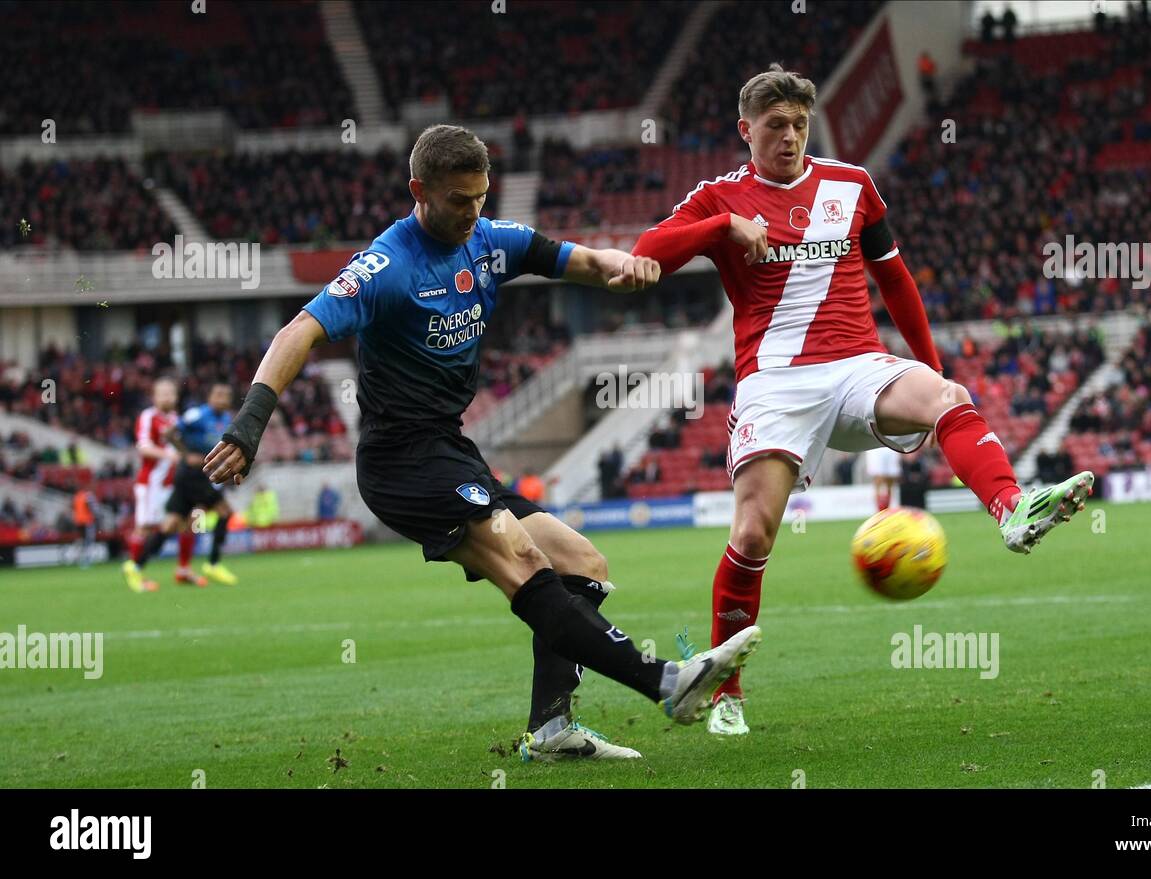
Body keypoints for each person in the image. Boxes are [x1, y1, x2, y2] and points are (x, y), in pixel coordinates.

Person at [202, 124, 762, 762]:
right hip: (399, 461)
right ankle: (663, 681)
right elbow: (297, 331)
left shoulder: (492, 241)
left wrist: (625, 267)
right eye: (458, 200)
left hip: (450, 449)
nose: (472, 213)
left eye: (480, 197)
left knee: (582, 564)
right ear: (420, 190)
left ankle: (551, 730)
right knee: (520, 557)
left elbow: (577, 260)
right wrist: (249, 424)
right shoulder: (386, 266)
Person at [631, 64, 1093, 736]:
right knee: (753, 534)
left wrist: (932, 374)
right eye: (774, 126)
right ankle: (727, 689)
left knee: (950, 395)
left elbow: (896, 279)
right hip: (775, 381)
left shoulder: (852, 186)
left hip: (856, 365)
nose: (788, 136)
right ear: (745, 130)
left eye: (798, 124)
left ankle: (1013, 511)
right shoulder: (718, 196)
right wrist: (724, 228)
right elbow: (647, 254)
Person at [129, 383, 241, 590]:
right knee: (225, 512)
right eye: (218, 395)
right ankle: (213, 564)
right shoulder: (196, 414)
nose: (222, 400)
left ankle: (138, 566)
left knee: (174, 524)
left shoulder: (225, 418)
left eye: (226, 396)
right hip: (188, 476)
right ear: (209, 397)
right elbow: (168, 434)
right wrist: (185, 455)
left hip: (185, 478)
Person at [122, 377, 180, 593]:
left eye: (171, 392)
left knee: (178, 523)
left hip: (168, 483)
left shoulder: (174, 418)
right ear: (154, 397)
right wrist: (170, 455)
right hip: (150, 482)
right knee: (144, 527)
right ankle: (135, 572)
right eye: (163, 393)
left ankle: (181, 569)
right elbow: (143, 448)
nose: (168, 396)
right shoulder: (149, 416)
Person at [72, 485, 98, 569]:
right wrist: (96, 517)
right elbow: (93, 509)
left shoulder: (76, 497)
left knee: (81, 541)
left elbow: (74, 509)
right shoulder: (88, 496)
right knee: (89, 541)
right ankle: (86, 560)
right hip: (87, 522)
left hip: (78, 522)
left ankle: (78, 558)